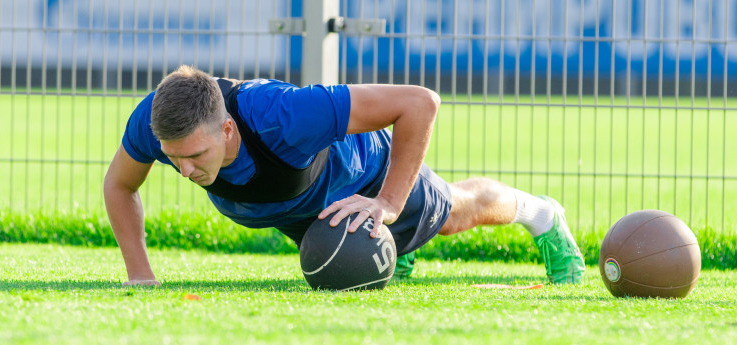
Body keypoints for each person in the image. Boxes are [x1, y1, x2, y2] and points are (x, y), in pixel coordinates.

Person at [104, 65, 585, 287]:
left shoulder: (285, 115)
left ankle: (541, 213)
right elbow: (119, 185)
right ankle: (396, 249)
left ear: (228, 128)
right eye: (173, 158)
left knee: (456, 213)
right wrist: (140, 275)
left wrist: (389, 204)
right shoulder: (155, 123)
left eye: (195, 156)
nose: (184, 171)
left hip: (366, 176)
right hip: (299, 207)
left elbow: (420, 103)